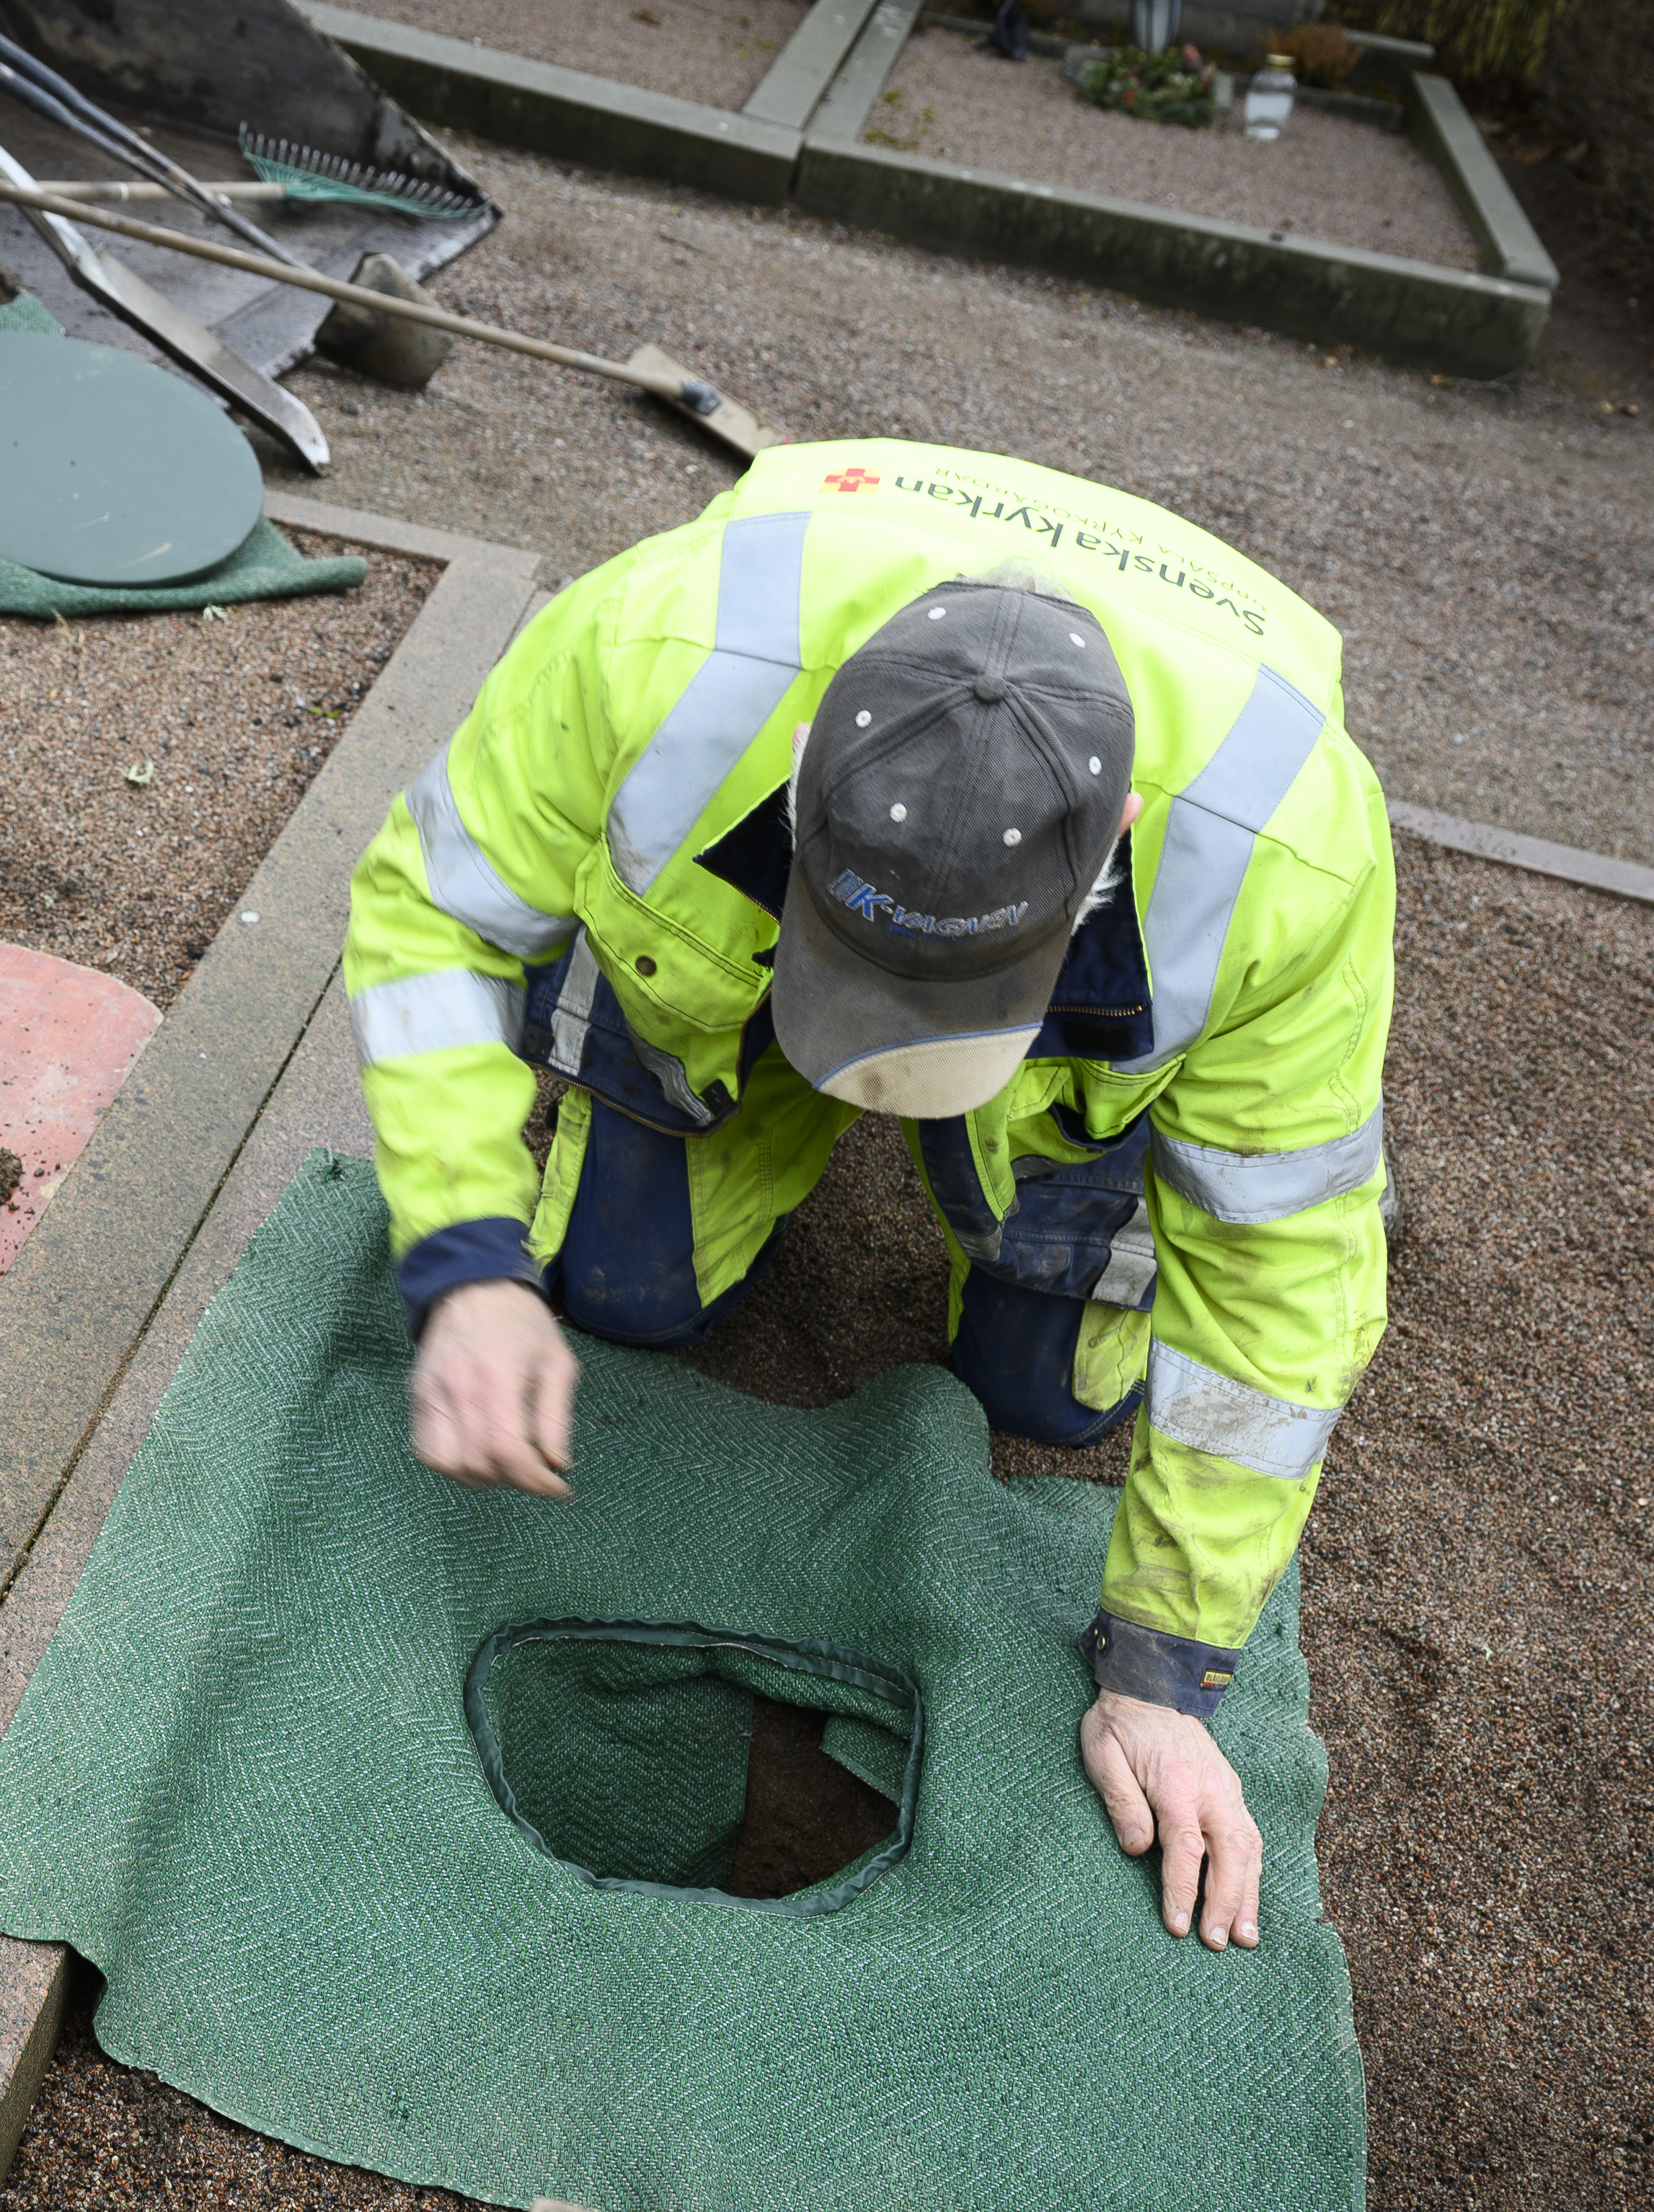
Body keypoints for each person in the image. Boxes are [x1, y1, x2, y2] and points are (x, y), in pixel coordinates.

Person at [346, 439, 1392, 1955]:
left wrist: (1166, 1668)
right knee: (620, 1300)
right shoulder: (656, 650)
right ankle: (758, 1074)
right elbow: (430, 915)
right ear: (799, 778)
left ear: (1107, 852)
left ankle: (1017, 1173)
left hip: (1078, 1076)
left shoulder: (1283, 858)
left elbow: (1279, 1266)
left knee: (1043, 1396)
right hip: (720, 966)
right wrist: (464, 1260)